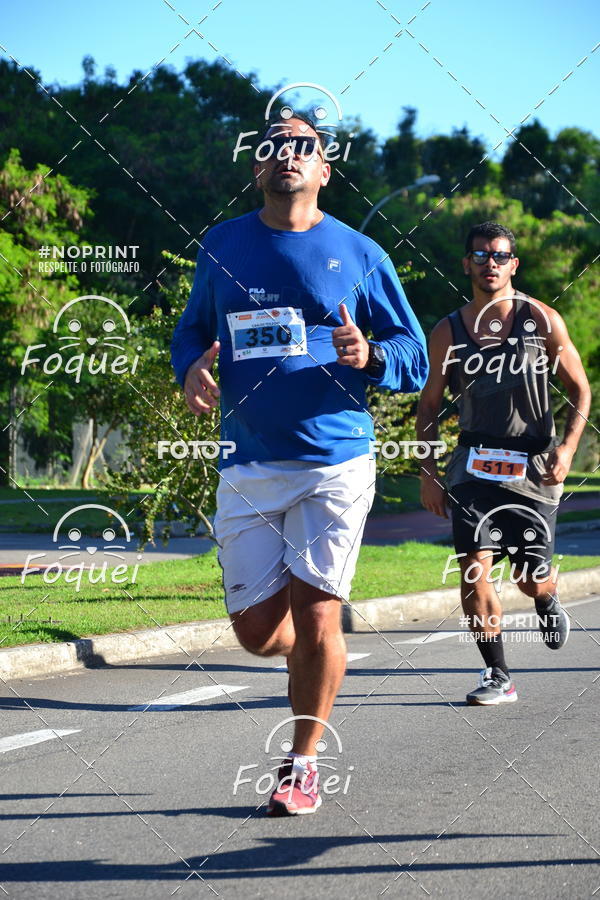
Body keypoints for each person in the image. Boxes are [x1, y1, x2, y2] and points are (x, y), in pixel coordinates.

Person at [171, 113, 428, 813]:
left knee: (319, 619)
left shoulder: (359, 251)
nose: (287, 155)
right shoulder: (222, 246)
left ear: (323, 168)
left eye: (302, 147)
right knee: (259, 635)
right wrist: (188, 369)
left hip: (333, 461)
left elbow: (413, 352)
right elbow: (192, 329)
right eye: (273, 147)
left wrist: (370, 354)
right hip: (248, 461)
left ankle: (302, 763)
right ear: (257, 167)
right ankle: (307, 662)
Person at [417, 221, 591, 705]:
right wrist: (429, 473)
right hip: (474, 464)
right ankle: (498, 674)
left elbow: (580, 390)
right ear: (466, 263)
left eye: (499, 256)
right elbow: (429, 407)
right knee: (474, 569)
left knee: (528, 578)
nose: (489, 264)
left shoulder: (543, 319)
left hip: (534, 466)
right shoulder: (447, 331)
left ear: (513, 264)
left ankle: (547, 595)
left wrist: (569, 448)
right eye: (480, 255)